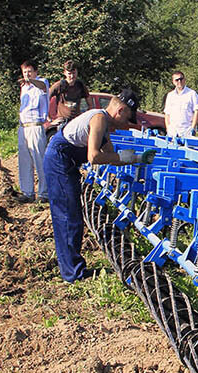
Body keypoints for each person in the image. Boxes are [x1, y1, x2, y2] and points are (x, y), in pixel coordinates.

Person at [44, 89, 154, 282]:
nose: (128, 124)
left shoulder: (103, 122)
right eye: (129, 118)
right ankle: (73, 273)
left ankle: (71, 266)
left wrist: (137, 158)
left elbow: (110, 156)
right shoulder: (99, 119)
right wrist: (122, 156)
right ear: (120, 110)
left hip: (65, 161)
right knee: (68, 215)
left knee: (72, 213)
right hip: (59, 160)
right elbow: (94, 156)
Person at [16, 61, 50, 202]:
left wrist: (31, 80)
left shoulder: (42, 83)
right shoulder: (24, 88)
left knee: (39, 159)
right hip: (23, 126)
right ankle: (27, 192)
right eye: (25, 72)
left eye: (29, 71)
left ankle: (44, 193)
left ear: (35, 72)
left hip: (36, 126)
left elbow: (42, 87)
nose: (27, 75)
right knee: (24, 161)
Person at [47, 60, 89, 131]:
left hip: (77, 121)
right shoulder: (59, 85)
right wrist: (49, 119)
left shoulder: (80, 85)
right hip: (63, 122)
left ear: (77, 72)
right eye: (69, 74)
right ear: (65, 73)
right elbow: (45, 99)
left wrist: (85, 118)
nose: (72, 76)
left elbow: (90, 103)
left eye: (74, 73)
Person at [162, 70, 198, 139]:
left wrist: (193, 128)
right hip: (173, 132)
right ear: (173, 82)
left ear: (184, 79)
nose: (179, 81)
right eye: (177, 80)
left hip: (187, 131)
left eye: (181, 79)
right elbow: (167, 114)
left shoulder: (192, 94)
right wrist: (168, 128)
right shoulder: (170, 95)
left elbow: (197, 111)